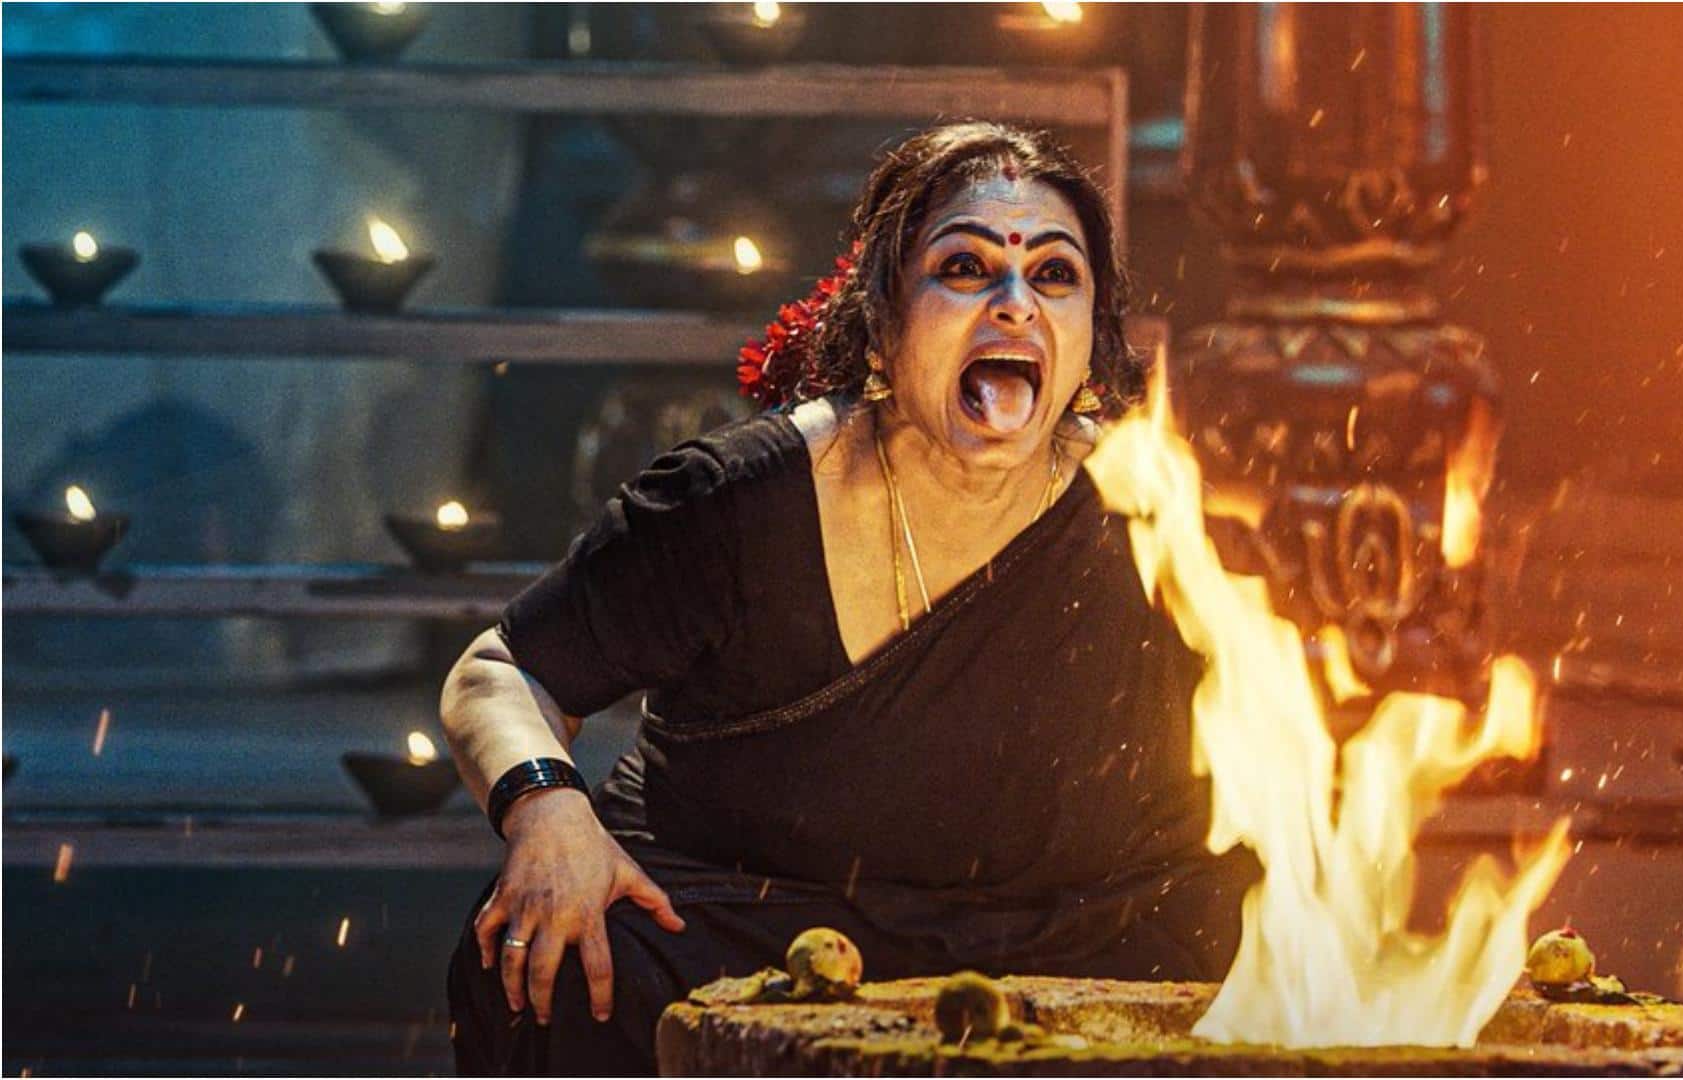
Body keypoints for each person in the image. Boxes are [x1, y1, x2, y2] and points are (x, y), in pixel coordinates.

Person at [441, 121, 1255, 1075]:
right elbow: (502, 670)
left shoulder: (1152, 510)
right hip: (752, 923)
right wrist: (548, 814)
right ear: (882, 315)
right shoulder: (739, 499)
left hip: (1062, 939)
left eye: (1054, 275)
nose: (1015, 304)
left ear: (1091, 335)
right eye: (965, 268)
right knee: (568, 964)